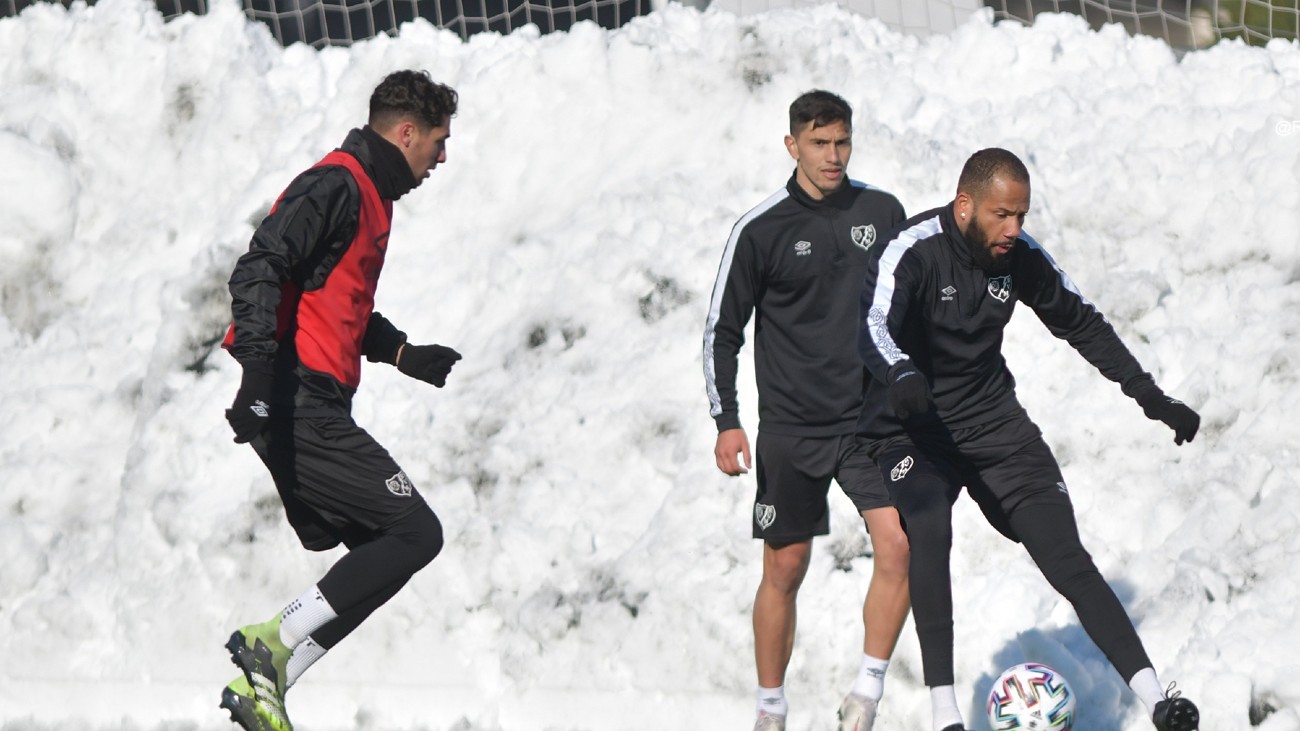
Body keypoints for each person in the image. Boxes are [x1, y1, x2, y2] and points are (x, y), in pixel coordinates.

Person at [856, 147, 1202, 731]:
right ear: (965, 204)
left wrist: (1150, 395)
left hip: (995, 427)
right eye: (1001, 215)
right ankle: (945, 715)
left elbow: (1083, 324)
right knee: (929, 529)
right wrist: (900, 371)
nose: (1014, 230)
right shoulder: (911, 250)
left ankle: (1157, 701)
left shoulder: (1020, 257)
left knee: (1065, 555)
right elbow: (871, 323)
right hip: (913, 432)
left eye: (1022, 215)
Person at [217, 70, 463, 731]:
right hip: (296, 399)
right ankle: (272, 640)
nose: (442, 158)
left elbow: (340, 300)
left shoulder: (370, 197)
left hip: (314, 399)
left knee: (387, 552)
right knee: (417, 530)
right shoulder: (338, 183)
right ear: (406, 133)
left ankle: (271, 685)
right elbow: (261, 267)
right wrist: (259, 382)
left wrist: (404, 353)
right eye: (438, 142)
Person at [703, 90, 912, 731]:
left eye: (842, 143)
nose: (833, 156)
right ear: (792, 146)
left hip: (869, 425)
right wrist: (727, 419)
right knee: (786, 566)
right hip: (792, 430)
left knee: (899, 546)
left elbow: (910, 304)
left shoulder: (882, 210)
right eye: (819, 144)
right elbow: (722, 330)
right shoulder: (759, 229)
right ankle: (771, 708)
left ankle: (865, 696)